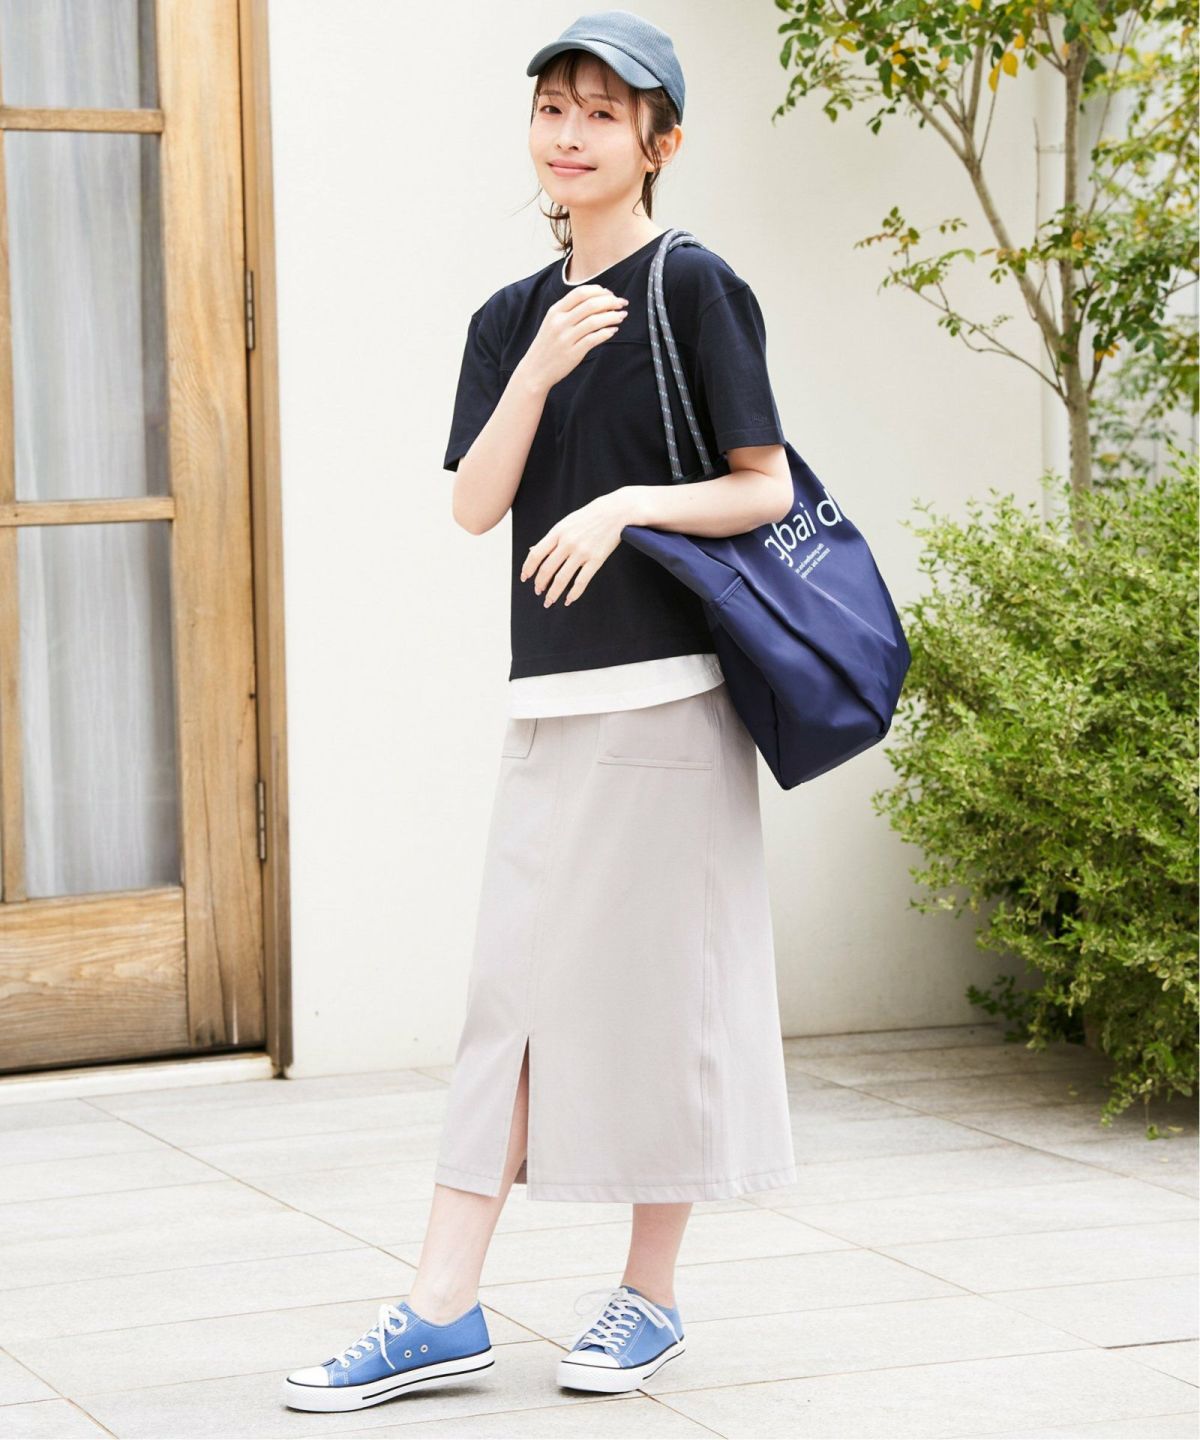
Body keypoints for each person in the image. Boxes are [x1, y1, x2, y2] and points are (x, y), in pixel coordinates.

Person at [281, 9, 798, 1415]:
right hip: (551, 701)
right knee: (507, 1005)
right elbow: (474, 505)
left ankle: (650, 1298)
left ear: (659, 143)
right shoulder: (510, 318)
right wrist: (540, 367)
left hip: (674, 701)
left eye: (602, 114)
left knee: (663, 1002)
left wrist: (627, 504)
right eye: (551, 109)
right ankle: (443, 1309)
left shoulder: (697, 288)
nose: (569, 135)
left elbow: (764, 485)